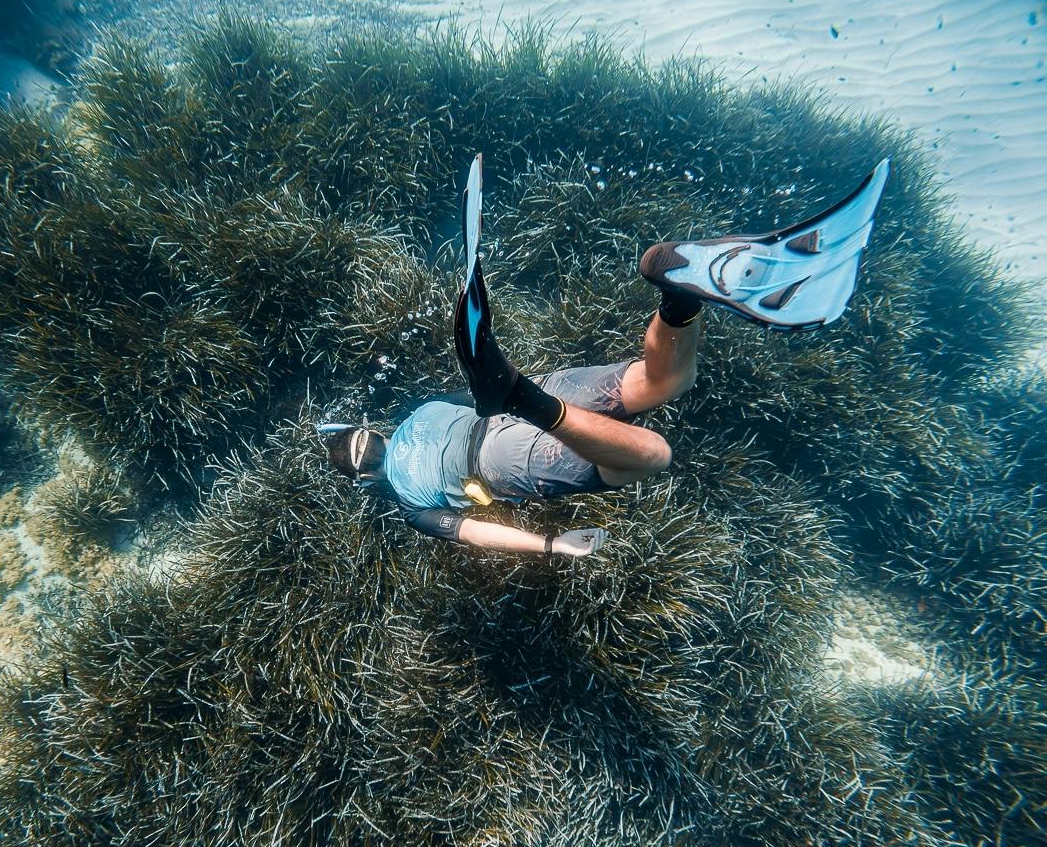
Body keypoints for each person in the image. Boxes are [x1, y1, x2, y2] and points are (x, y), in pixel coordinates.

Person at [323, 155, 889, 557]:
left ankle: (525, 396)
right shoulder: (420, 411)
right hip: (516, 401)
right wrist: (511, 391)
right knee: (657, 383)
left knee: (648, 458)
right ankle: (678, 301)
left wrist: (549, 543)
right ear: (370, 430)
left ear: (361, 478)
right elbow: (475, 395)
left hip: (501, 464)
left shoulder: (405, 501)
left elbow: (475, 532)